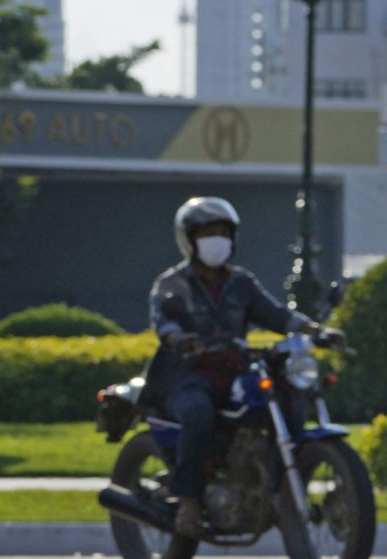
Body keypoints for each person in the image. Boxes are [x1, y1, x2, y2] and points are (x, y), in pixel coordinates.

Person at [144, 197, 336, 539]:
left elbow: (277, 315)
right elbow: (164, 323)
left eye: (223, 232)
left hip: (235, 371)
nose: (216, 240)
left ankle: (276, 485)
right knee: (199, 413)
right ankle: (188, 500)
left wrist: (316, 331)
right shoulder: (172, 284)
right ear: (189, 238)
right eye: (207, 232)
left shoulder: (241, 283)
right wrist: (179, 340)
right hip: (189, 374)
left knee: (284, 398)